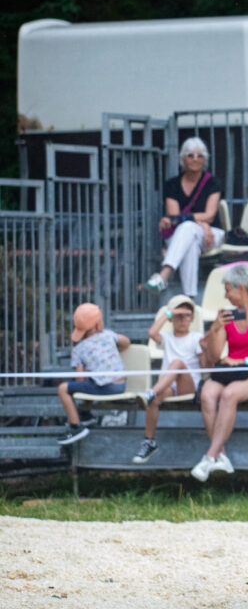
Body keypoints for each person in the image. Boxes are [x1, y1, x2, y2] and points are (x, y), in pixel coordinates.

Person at [192, 265, 248, 481]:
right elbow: (214, 358)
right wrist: (214, 330)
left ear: (241, 288)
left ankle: (210, 456)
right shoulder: (228, 316)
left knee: (229, 394)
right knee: (207, 394)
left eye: (228, 290)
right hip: (231, 373)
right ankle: (221, 456)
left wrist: (242, 360)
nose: (225, 295)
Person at [144, 137, 225, 295]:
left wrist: (203, 224)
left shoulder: (213, 183)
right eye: (190, 155)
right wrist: (201, 223)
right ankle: (190, 297)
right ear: (182, 159)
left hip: (211, 235)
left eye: (199, 155)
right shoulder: (172, 184)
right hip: (183, 234)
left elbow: (209, 215)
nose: (195, 159)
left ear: (205, 159)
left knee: (188, 227)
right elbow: (175, 218)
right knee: (190, 238)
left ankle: (164, 275)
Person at [133, 296, 203, 463]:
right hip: (169, 386)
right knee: (154, 399)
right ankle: (149, 441)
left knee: (178, 363)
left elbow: (204, 363)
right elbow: (152, 333)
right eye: (178, 316)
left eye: (186, 315)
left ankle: (151, 391)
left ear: (192, 318)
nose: (182, 319)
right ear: (171, 319)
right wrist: (169, 313)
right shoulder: (167, 338)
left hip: (189, 386)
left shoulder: (197, 337)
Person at [56, 303, 130, 446]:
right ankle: (85, 416)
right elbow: (126, 342)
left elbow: (79, 379)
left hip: (105, 388)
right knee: (90, 381)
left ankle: (76, 426)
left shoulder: (78, 350)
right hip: (121, 385)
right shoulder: (108, 335)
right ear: (97, 325)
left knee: (63, 389)